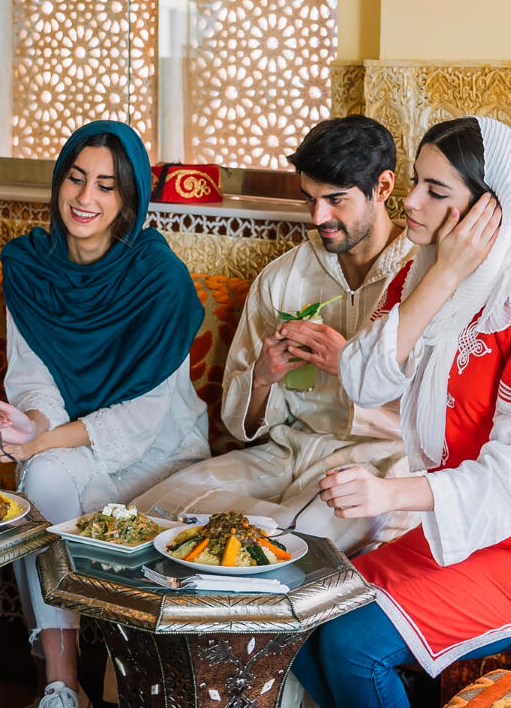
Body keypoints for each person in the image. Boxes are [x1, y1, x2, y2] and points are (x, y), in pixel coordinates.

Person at [290, 116, 511, 708]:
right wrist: (447, 274)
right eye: (417, 181)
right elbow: (360, 378)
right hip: (467, 530)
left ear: (491, 212)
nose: (410, 201)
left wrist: (390, 494)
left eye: (436, 192)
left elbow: (510, 483)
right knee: (304, 622)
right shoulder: (423, 277)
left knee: (355, 644)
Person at [0, 120, 209, 708]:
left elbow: (145, 418)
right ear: (58, 183)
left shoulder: (160, 280)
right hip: (69, 442)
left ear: (128, 199)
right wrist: (30, 427)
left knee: (47, 468)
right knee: (41, 479)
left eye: (107, 186)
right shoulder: (31, 268)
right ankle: (61, 682)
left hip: (157, 455)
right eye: (76, 179)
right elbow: (33, 376)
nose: (86, 198)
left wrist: (47, 438)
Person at [133, 115, 417, 553]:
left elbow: (444, 416)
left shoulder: (421, 283)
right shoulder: (284, 278)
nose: (320, 216)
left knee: (302, 539)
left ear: (382, 187)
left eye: (336, 200)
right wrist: (263, 377)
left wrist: (348, 366)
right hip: (285, 453)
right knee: (152, 509)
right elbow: (239, 420)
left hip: (375, 461)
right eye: (311, 199)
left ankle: (260, 576)